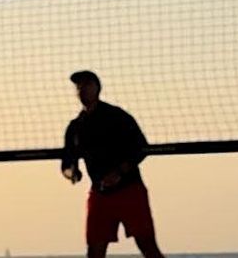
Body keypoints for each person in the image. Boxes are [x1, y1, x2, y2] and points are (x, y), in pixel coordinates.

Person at [62, 70, 164, 258]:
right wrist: (72, 173)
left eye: (86, 85)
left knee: (147, 246)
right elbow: (67, 163)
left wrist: (118, 172)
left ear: (97, 88)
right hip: (100, 193)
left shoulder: (117, 116)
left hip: (130, 189)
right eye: (78, 87)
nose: (82, 90)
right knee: (95, 251)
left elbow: (141, 148)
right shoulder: (75, 127)